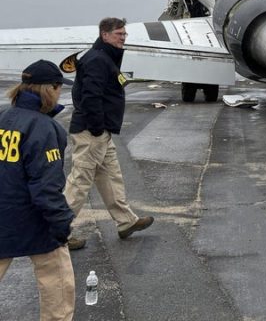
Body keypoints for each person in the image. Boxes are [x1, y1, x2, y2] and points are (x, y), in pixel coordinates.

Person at [64, 17, 153, 250]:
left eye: (124, 34)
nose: (123, 38)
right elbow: (89, 96)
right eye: (118, 34)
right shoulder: (97, 60)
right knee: (80, 182)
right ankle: (56, 233)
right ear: (105, 35)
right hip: (92, 132)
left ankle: (126, 221)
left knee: (111, 176)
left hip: (101, 132)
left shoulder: (104, 57)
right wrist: (96, 127)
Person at [0, 60, 76, 321]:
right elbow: (46, 187)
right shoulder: (44, 128)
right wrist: (62, 224)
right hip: (32, 217)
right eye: (59, 88)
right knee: (58, 282)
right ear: (50, 89)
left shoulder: (3, 117)